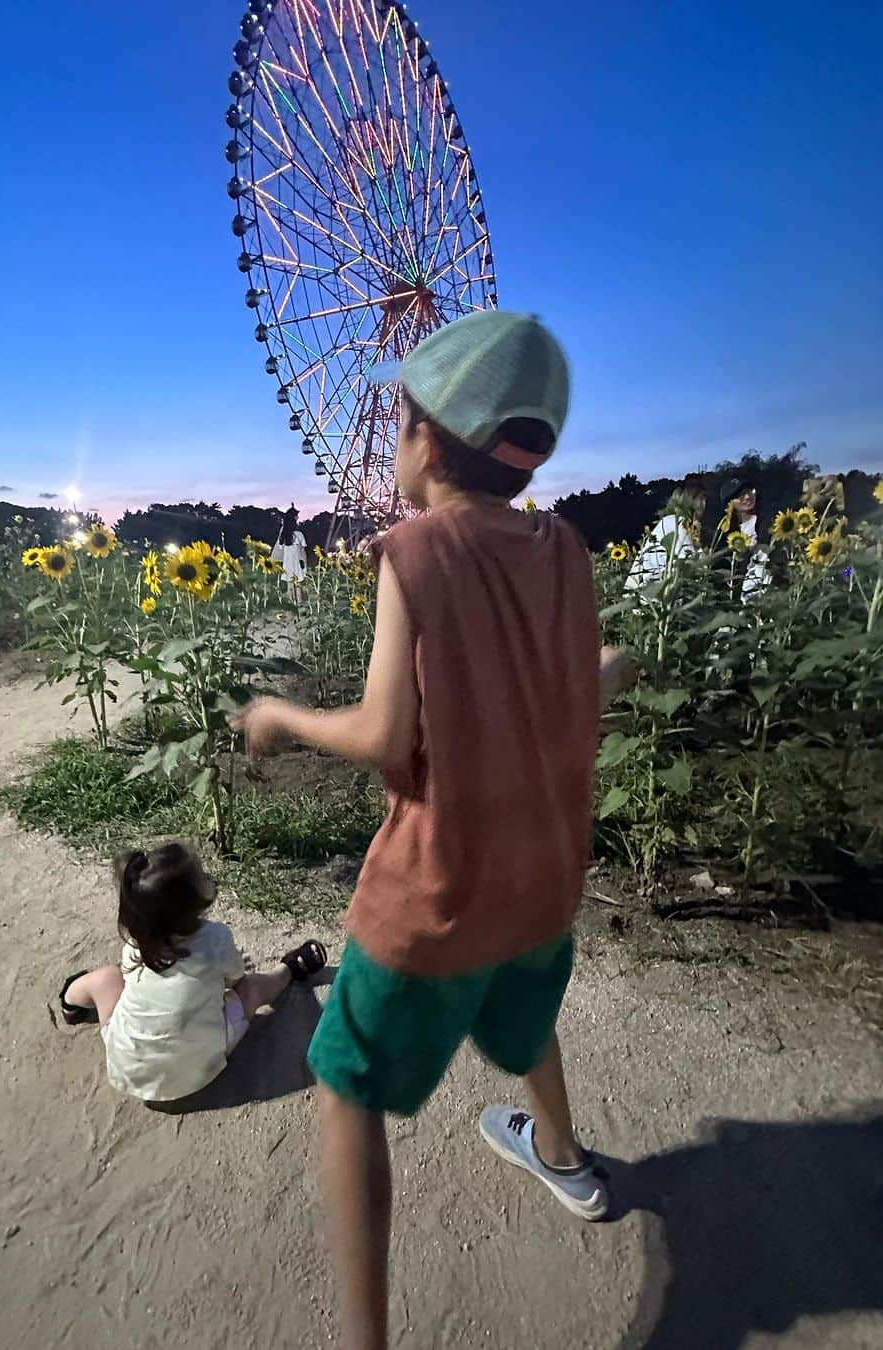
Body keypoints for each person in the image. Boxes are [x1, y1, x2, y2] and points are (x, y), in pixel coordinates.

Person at [231, 311, 636, 1350]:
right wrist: (610, 673)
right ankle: (563, 1155)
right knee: (521, 999)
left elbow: (379, 733)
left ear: (418, 434)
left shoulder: (411, 554)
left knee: (346, 1086)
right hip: (540, 885)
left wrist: (277, 718)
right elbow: (574, 691)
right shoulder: (567, 551)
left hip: (435, 894)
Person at [58, 841, 327, 1102]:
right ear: (192, 901)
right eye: (202, 876)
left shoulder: (138, 943)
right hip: (199, 1068)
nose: (208, 876)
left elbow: (128, 978)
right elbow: (236, 982)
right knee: (252, 988)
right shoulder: (216, 938)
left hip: (129, 1067)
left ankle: (70, 1001)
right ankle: (289, 969)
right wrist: (224, 974)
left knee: (107, 978)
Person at [624, 476, 707, 593]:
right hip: (654, 604)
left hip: (650, 598)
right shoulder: (677, 524)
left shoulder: (668, 522)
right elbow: (690, 568)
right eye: (703, 500)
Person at [709, 476, 769, 599]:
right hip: (742, 596)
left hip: (766, 587)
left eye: (749, 491)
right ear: (729, 503)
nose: (748, 497)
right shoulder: (725, 536)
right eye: (740, 495)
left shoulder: (766, 523)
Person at [272, 504, 307, 586]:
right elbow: (303, 551)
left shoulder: (283, 535)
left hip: (287, 565)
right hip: (297, 564)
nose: (298, 517)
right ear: (293, 518)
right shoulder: (299, 535)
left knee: (290, 587)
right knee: (298, 588)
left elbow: (280, 548)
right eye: (296, 516)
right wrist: (305, 567)